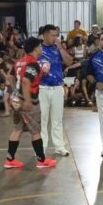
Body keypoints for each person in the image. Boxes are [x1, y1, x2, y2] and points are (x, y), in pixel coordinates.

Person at [4, 37, 57, 169]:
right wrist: (27, 100)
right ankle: (41, 160)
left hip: (16, 100)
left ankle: (10, 160)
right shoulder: (33, 63)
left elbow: (9, 77)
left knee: (18, 129)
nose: (41, 48)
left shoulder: (19, 61)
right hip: (28, 101)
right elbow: (26, 81)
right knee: (36, 131)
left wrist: (14, 92)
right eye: (40, 46)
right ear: (35, 48)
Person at [38, 24, 74, 156]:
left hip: (58, 87)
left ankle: (60, 147)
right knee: (43, 119)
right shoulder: (38, 49)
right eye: (53, 35)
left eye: (56, 35)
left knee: (57, 119)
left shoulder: (58, 48)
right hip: (42, 87)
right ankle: (41, 148)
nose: (55, 37)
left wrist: (61, 49)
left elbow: (69, 62)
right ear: (45, 35)